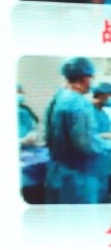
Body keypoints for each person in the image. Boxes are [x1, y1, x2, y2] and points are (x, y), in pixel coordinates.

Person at [43, 57, 111, 204]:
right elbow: (86, 145)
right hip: (77, 179)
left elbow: (48, 137)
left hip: (57, 174)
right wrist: (107, 145)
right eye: (91, 78)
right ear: (84, 78)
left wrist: (101, 138)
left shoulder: (57, 98)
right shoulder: (79, 104)